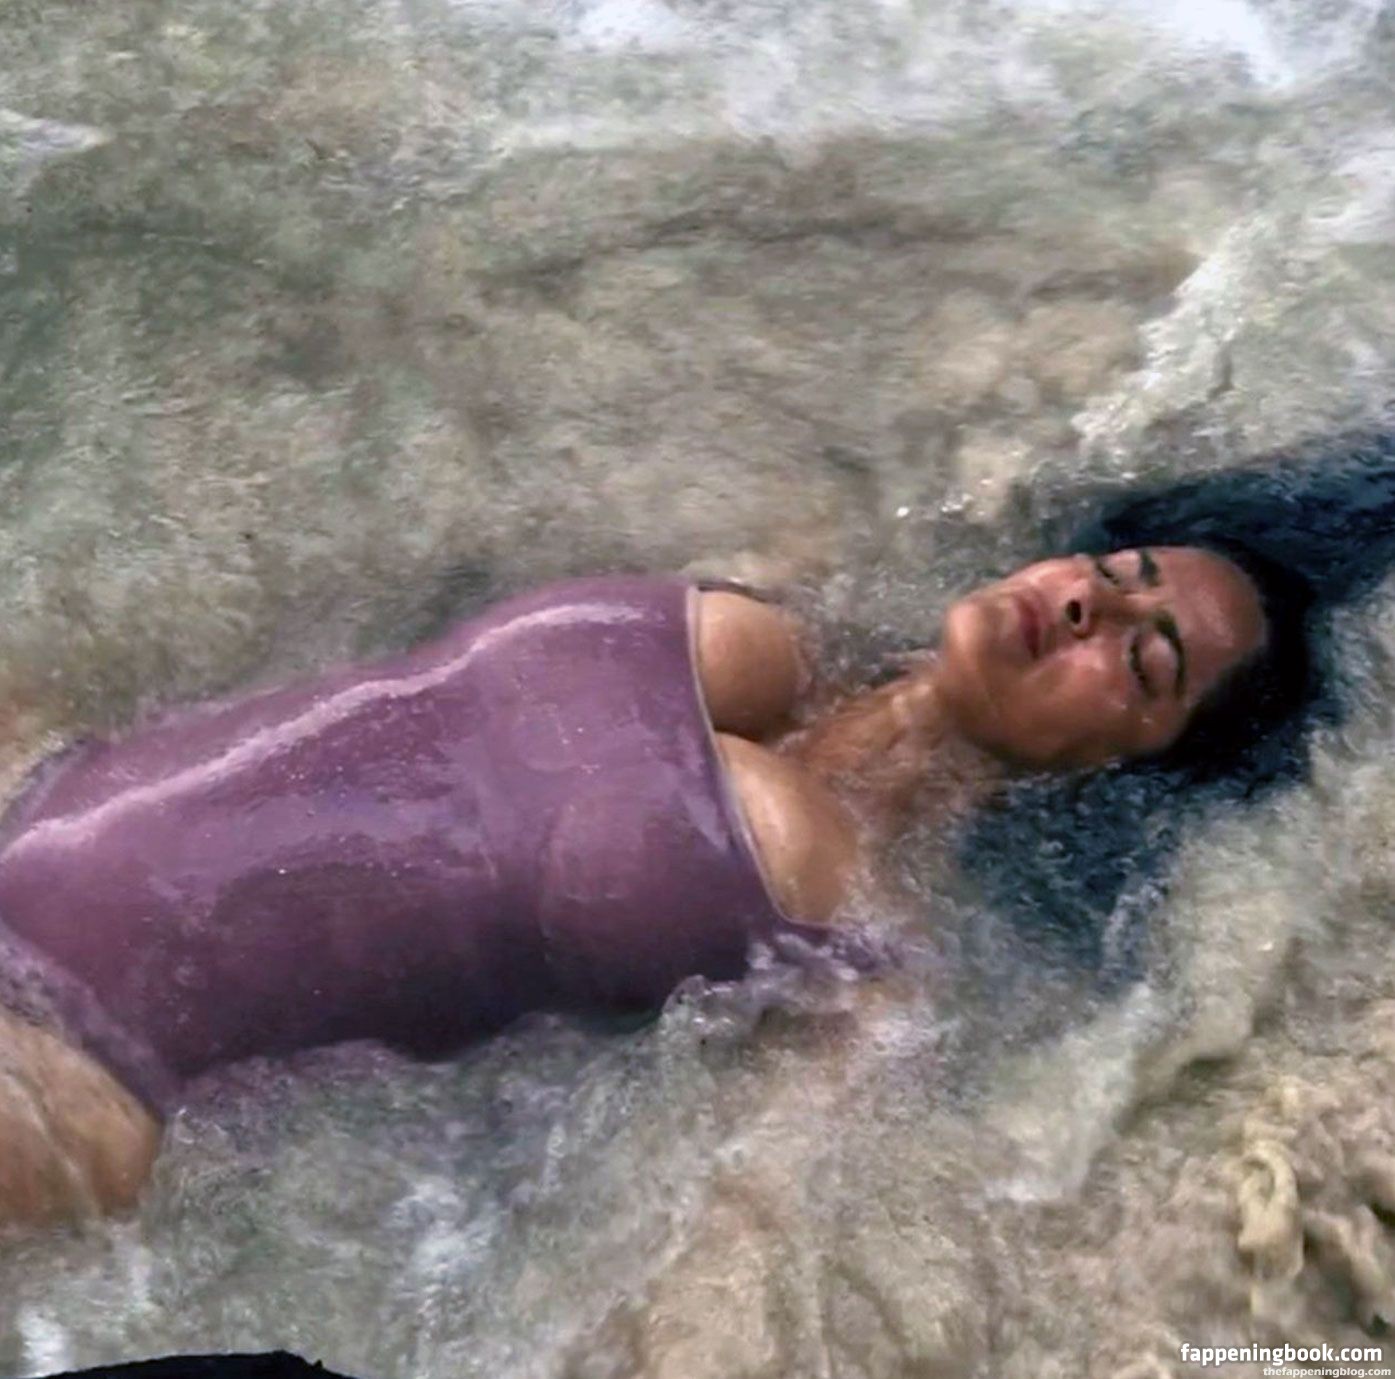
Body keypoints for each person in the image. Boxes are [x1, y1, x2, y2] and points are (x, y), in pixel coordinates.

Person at [5, 439, 1388, 1230]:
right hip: (36, 782)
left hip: (71, 1075)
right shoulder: (769, 624)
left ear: (1114, 767)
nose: (1088, 604)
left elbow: (728, 1240)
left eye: (1143, 659)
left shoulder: (864, 956)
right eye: (1116, 571)